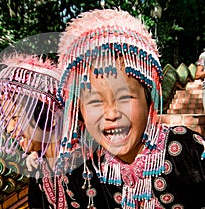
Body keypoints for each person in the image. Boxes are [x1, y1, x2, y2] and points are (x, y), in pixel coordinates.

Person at [54, 9, 205, 209]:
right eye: (95, 102)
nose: (111, 114)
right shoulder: (82, 174)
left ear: (149, 100)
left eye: (124, 97)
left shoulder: (190, 151)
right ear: (79, 111)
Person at [0, 53, 63, 208]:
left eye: (16, 118)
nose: (9, 128)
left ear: (50, 117)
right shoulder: (39, 170)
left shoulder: (89, 167)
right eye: (7, 120)